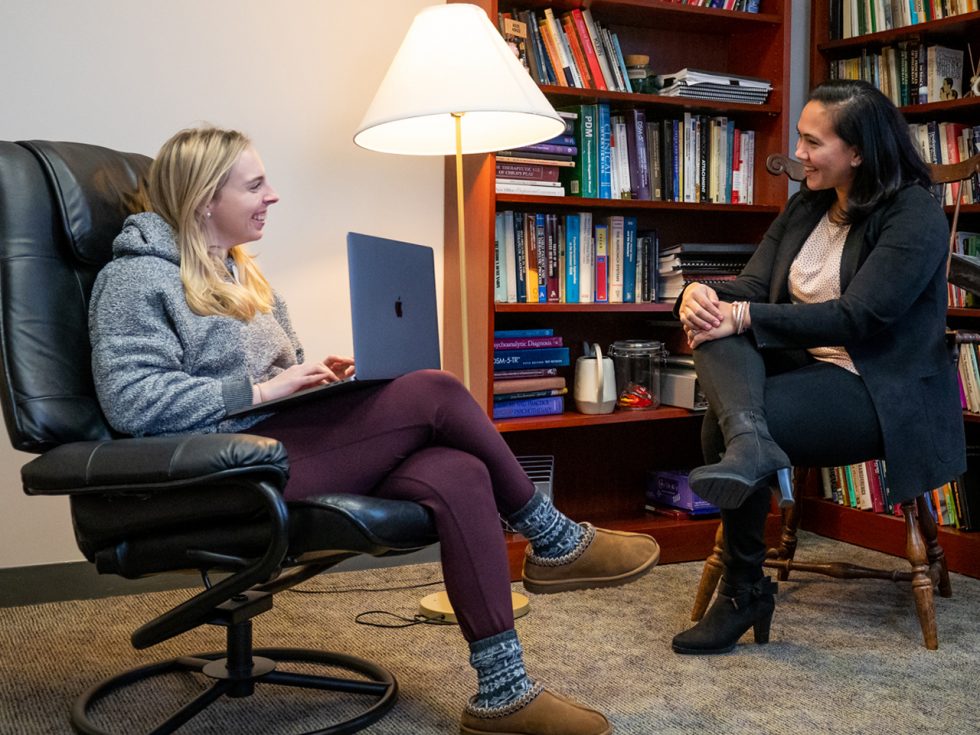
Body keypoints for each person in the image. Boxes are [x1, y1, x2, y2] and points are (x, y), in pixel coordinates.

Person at [88, 126, 661, 735]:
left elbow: (274, 382)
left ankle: (504, 695)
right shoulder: (134, 281)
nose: (273, 196)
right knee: (435, 387)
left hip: (281, 444)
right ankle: (554, 539)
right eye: (256, 185)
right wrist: (263, 390)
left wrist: (316, 380)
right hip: (221, 475)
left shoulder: (244, 275)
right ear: (205, 198)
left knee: (457, 471)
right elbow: (133, 404)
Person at [672, 79, 966, 655]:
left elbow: (861, 316)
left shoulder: (914, 215)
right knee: (714, 329)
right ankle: (749, 453)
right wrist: (698, 293)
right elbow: (754, 286)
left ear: (857, 152)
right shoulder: (809, 204)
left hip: (878, 386)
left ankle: (744, 589)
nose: (797, 154)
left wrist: (743, 315)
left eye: (812, 142)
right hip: (805, 365)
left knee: (726, 421)